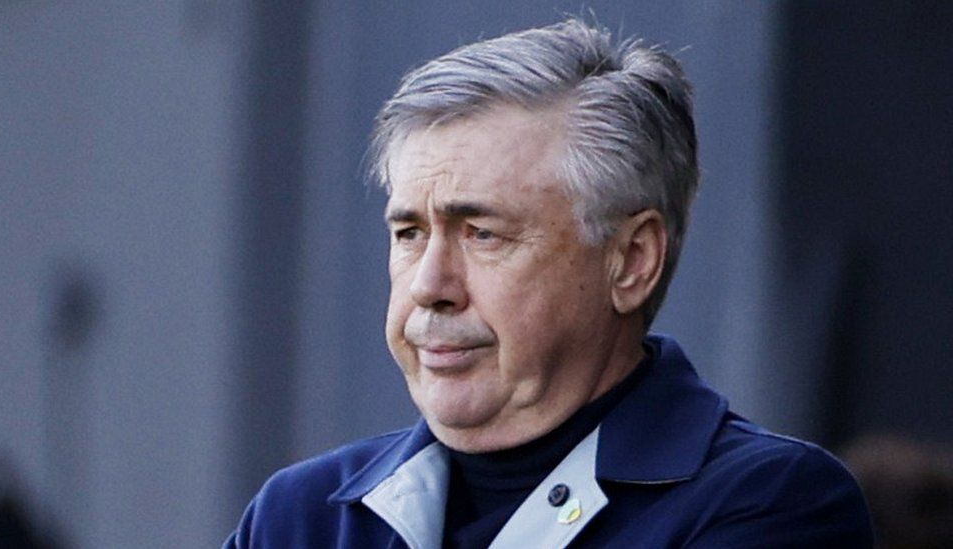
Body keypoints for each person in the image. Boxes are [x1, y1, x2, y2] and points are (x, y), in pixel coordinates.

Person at [226, 18, 872, 548]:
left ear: (632, 260)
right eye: (410, 233)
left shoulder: (772, 503)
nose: (429, 285)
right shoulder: (300, 518)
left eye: (483, 233)